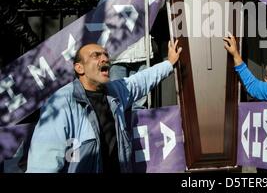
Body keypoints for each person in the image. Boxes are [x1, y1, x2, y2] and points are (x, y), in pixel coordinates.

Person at [26, 40, 182, 173]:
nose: (105, 58)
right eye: (96, 55)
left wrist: (169, 63)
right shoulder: (60, 103)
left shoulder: (115, 91)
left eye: (106, 55)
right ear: (79, 68)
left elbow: (141, 81)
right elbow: (43, 163)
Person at [98, 0, 153, 108]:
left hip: (140, 53)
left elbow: (157, 4)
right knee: (118, 100)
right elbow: (99, 25)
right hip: (117, 57)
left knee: (139, 101)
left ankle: (138, 128)